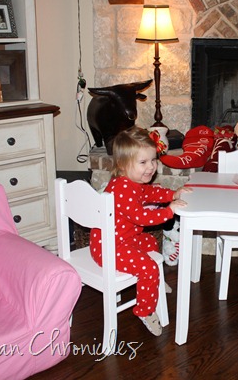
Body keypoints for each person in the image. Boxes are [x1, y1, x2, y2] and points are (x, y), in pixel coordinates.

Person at [89, 126, 192, 336]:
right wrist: (169, 211)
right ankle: (145, 311)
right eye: (143, 162)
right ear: (122, 164)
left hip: (123, 240)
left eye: (153, 160)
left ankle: (153, 283)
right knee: (148, 268)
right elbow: (142, 217)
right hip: (109, 248)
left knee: (151, 243)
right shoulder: (122, 189)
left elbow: (151, 193)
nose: (151, 167)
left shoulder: (131, 182)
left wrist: (173, 194)